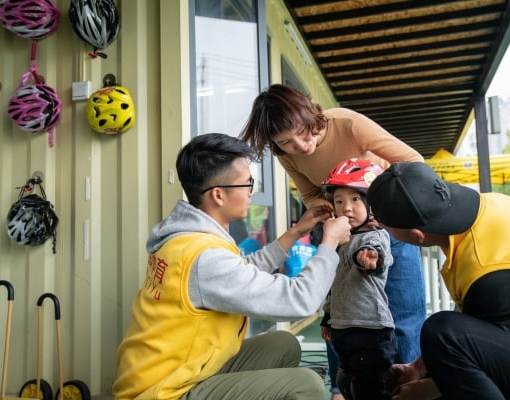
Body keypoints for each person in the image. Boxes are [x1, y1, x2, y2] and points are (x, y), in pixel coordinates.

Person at [112, 133, 352, 400]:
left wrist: (295, 232)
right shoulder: (206, 258)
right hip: (166, 392)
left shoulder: (187, 239)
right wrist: (330, 243)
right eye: (247, 183)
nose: (252, 191)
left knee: (283, 344)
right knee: (306, 384)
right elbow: (300, 299)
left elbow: (240, 270)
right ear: (218, 195)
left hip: (183, 368)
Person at [241, 84, 426, 363]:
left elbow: (413, 162)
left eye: (302, 133)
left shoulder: (348, 124)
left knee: (404, 318)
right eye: (286, 142)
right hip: (341, 239)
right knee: (339, 319)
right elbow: (311, 195)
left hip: (390, 229)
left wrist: (383, 206)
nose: (300, 147)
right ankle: (343, 388)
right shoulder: (287, 155)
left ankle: (407, 386)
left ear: (309, 114)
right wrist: (331, 213)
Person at [366, 161, 510, 400]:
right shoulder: (488, 207)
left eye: (386, 228)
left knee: (442, 331)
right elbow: (475, 330)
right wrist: (418, 368)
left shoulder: (488, 272)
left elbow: (478, 357)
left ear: (417, 236)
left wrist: (429, 389)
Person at [320, 159, 397, 400]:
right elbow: (335, 284)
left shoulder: (374, 236)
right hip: (343, 328)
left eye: (355, 199)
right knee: (347, 384)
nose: (346, 208)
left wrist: (368, 258)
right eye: (339, 201)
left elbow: (375, 253)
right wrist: (327, 317)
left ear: (371, 204)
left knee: (372, 389)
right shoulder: (341, 239)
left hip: (370, 329)